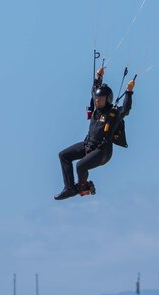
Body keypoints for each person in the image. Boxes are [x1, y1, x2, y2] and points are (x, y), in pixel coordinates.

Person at [55, 66, 134, 200]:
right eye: (96, 99)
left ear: (108, 99)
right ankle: (69, 188)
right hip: (88, 145)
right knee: (64, 155)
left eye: (100, 99)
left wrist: (129, 92)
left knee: (80, 166)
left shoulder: (113, 114)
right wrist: (99, 77)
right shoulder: (96, 109)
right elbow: (94, 91)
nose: (97, 101)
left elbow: (126, 109)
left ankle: (83, 187)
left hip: (102, 151)